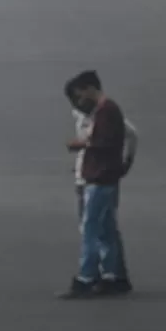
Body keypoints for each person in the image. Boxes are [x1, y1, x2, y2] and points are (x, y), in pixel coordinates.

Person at [60, 70, 130, 298]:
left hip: (99, 179)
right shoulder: (106, 110)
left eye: (81, 96)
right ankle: (111, 274)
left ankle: (86, 277)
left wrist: (81, 145)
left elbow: (104, 143)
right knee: (106, 229)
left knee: (90, 230)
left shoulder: (106, 111)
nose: (80, 102)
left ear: (90, 88)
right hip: (106, 177)